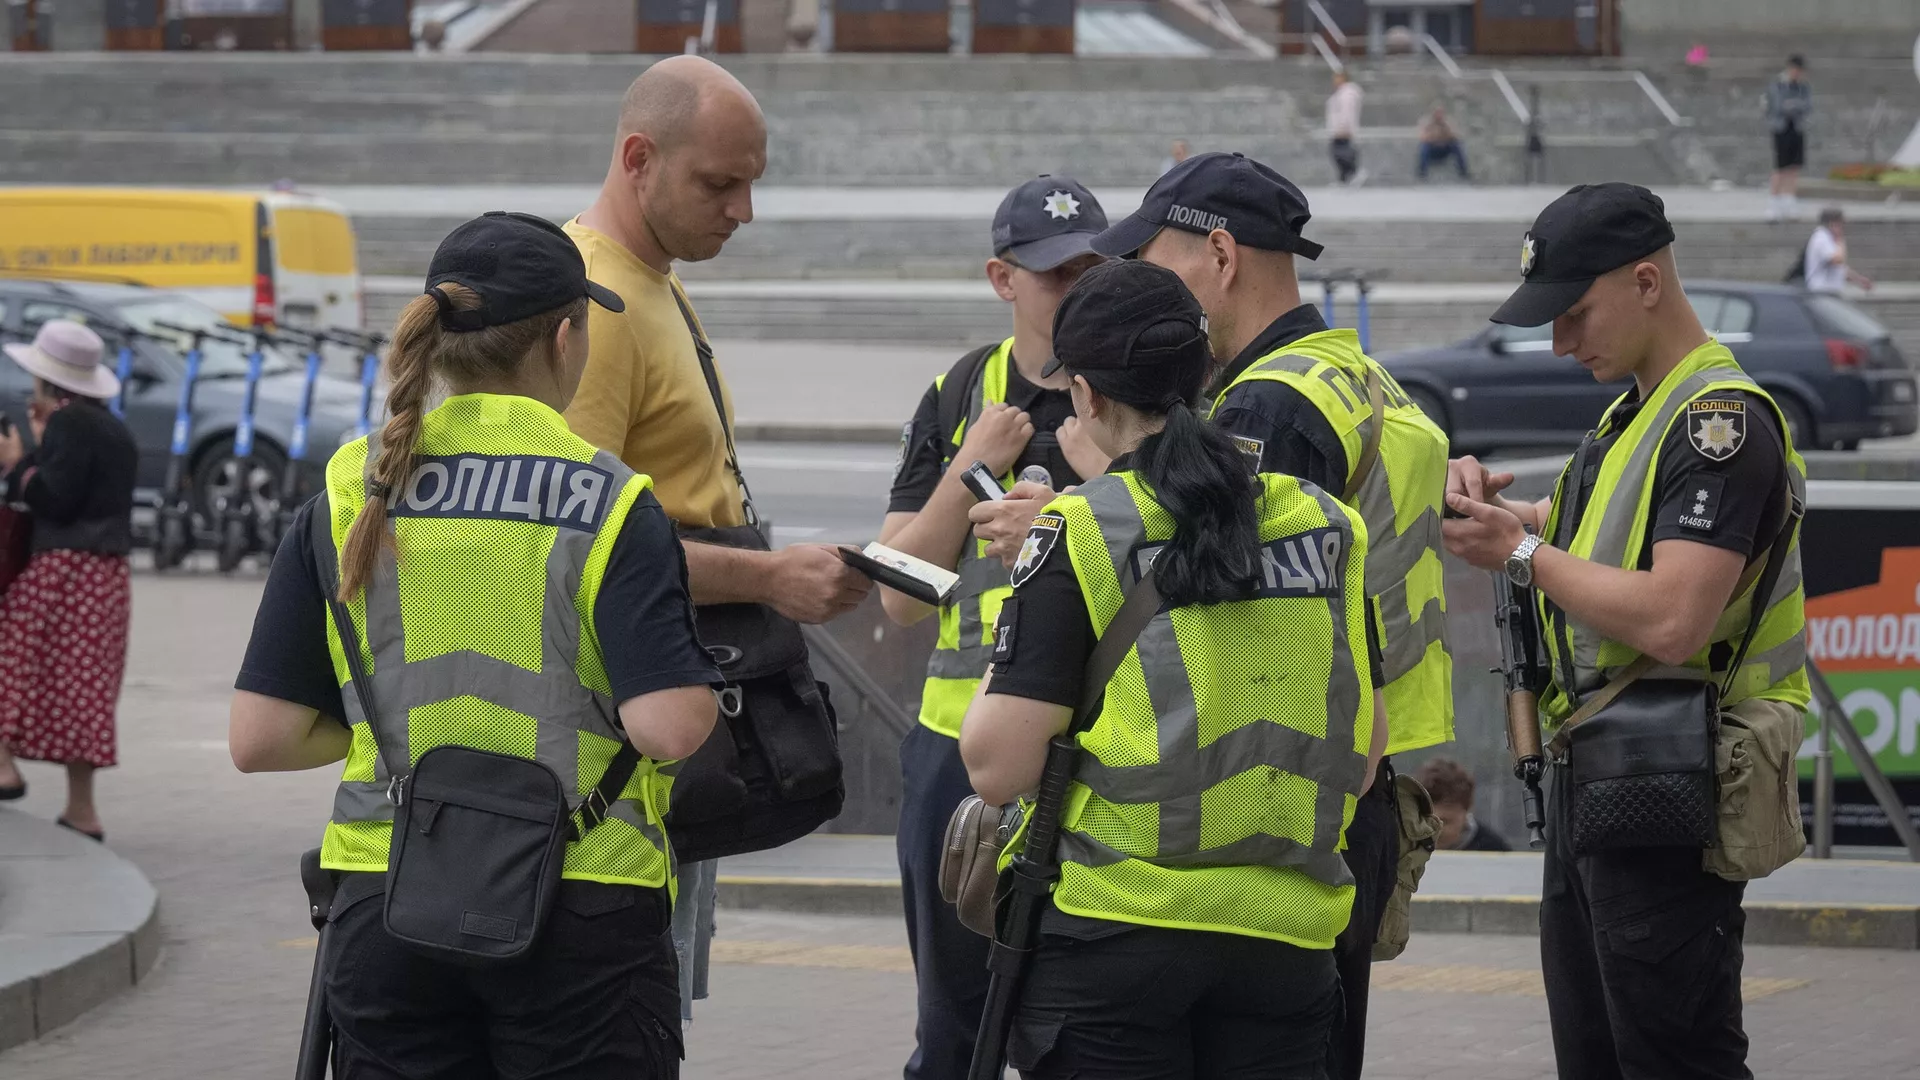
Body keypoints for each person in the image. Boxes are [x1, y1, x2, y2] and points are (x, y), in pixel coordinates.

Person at [229, 211, 719, 1078]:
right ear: (567, 338)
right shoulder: (607, 499)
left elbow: (260, 739)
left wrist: (390, 735)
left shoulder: (351, 485)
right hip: (583, 905)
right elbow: (670, 730)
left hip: (384, 896)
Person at [960, 258, 1387, 1079]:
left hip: (1115, 937)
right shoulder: (1328, 526)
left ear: (1084, 394)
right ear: (1204, 374)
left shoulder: (1079, 530)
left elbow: (995, 766)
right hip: (1287, 942)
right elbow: (1362, 762)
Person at [1088, 150, 1454, 1080]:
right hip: (1361, 769)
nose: (1149, 295)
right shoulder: (1356, 373)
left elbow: (1244, 613)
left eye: (1157, 266)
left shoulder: (1267, 404)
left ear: (1219, 253)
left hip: (1302, 793)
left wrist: (1085, 512)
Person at [1443, 182, 1808, 1080]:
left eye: (1574, 314)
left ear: (1647, 281)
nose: (1561, 342)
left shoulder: (1718, 424)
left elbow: (1674, 618)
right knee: (1601, 1052)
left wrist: (1520, 551)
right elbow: (1589, 540)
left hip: (1671, 786)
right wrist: (1504, 515)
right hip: (1607, 776)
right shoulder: (1636, 410)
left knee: (1672, 1054)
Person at [563, 54, 874, 1026]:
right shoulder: (597, 308)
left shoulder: (651, 280)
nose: (742, 210)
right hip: (625, 750)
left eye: (753, 182)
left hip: (665, 727)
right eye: (719, 183)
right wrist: (769, 577)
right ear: (638, 157)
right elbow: (575, 546)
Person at [876, 172, 1110, 1080]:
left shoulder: (1131, 393)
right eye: (1055, 274)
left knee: (1076, 1029)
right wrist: (968, 466)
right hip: (958, 751)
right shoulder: (961, 391)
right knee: (954, 1030)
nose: (1076, 289)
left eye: (1092, 269)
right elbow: (898, 594)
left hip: (1097, 747)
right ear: (1003, 278)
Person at [0, 320, 138, 840]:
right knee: (85, 687)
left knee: (11, 651)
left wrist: (17, 465)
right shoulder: (111, 426)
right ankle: (82, 810)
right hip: (105, 574)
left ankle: (5, 765)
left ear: (47, 381)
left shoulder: (68, 424)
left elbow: (55, 498)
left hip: (64, 569)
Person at [1414, 757, 1511, 852]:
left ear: (1467, 811)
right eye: (1426, 821)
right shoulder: (1402, 847)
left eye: (1445, 822)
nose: (1434, 831)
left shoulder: (1495, 852)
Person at [1765, 55, 1811, 222]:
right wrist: (1794, 105)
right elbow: (1778, 106)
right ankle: (1774, 204)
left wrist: (1792, 105)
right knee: (1780, 167)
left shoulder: (1803, 87)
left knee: (1794, 168)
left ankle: (1789, 202)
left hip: (1797, 128)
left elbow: (1807, 105)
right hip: (1781, 128)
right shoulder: (1778, 85)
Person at [1802, 207, 1874, 294]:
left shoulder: (1829, 238)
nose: (1843, 227)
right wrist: (1840, 239)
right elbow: (1837, 260)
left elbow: (1839, 269)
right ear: (1833, 223)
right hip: (1821, 292)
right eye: (1841, 223)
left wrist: (1858, 280)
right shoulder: (1821, 237)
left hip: (1830, 292)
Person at [1326, 71, 1364, 185]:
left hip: (1342, 130)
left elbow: (1347, 112)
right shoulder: (1340, 93)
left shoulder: (1347, 94)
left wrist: (1343, 127)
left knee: (1342, 153)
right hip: (1338, 129)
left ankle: (1352, 173)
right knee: (1340, 153)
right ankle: (1344, 177)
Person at [1416, 105, 1469, 181]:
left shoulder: (1448, 122)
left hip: (1445, 149)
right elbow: (1423, 138)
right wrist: (1434, 137)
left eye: (1440, 113)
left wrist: (1446, 128)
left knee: (1456, 145)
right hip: (1432, 149)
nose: (1438, 115)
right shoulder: (1427, 123)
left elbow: (1455, 136)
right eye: (1437, 113)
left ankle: (1463, 172)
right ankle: (1422, 173)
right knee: (1424, 147)